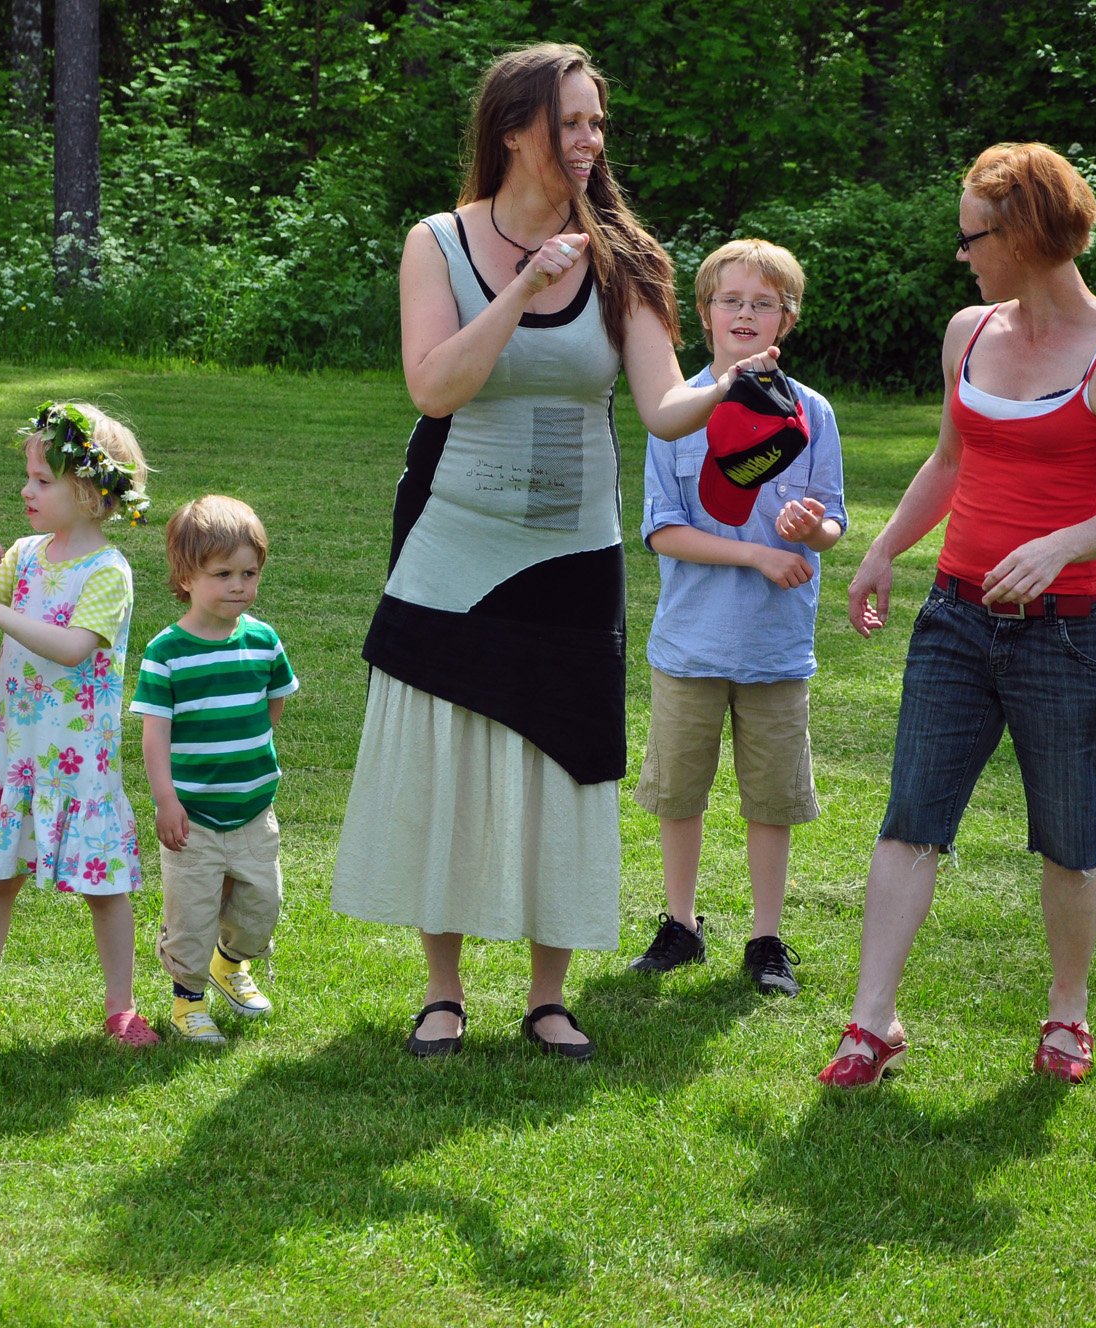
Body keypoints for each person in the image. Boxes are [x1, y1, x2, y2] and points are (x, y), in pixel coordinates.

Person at [330, 43, 778, 1061]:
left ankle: (546, 996)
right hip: (452, 545)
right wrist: (520, 289)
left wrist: (727, 380)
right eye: (569, 122)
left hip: (573, 553)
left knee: (566, 761)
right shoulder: (437, 242)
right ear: (512, 129)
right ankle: (442, 992)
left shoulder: (626, 257)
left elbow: (662, 408)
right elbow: (433, 387)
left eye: (595, 123)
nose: (589, 140)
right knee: (446, 765)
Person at [819, 142, 1096, 1088]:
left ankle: (1066, 1014)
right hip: (955, 619)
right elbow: (949, 460)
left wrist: (1061, 546)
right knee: (910, 819)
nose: (961, 255)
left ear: (1021, 236)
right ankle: (870, 1023)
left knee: (1068, 836)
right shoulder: (967, 333)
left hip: (1070, 633)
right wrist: (885, 550)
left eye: (971, 237)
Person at [626, 240, 846, 997]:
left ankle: (765, 938)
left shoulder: (812, 412)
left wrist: (811, 529)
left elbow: (832, 525)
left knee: (771, 801)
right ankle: (680, 925)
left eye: (763, 303)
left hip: (774, 649)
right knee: (678, 794)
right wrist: (755, 555)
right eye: (731, 301)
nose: (745, 314)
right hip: (689, 645)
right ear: (705, 313)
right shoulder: (677, 412)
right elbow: (662, 530)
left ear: (787, 317)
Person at [0, 403, 156, 1048]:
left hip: (78, 763)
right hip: (16, 755)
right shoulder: (25, 555)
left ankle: (121, 1007)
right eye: (29, 478)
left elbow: (72, 648)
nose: (26, 491)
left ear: (89, 493)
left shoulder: (108, 571)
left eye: (42, 480)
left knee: (105, 890)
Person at [132, 496, 300, 1046]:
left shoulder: (263, 640)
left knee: (261, 908)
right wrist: (166, 800)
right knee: (192, 917)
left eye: (249, 574)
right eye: (223, 574)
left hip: (253, 811)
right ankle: (188, 1002)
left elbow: (272, 703)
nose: (239, 586)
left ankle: (229, 964)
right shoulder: (166, 653)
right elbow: (154, 735)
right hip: (194, 818)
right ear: (186, 577)